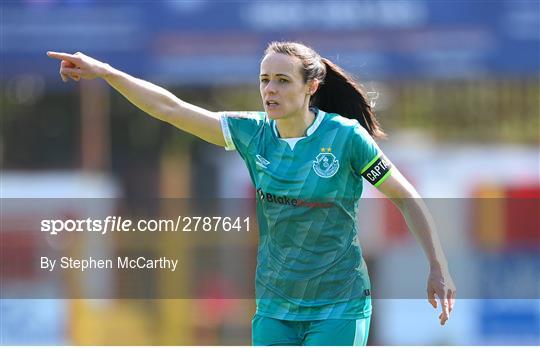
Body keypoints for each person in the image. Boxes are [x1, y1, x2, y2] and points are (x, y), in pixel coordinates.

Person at [47, 41, 456, 346]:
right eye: (264, 80)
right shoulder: (250, 133)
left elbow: (405, 197)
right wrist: (104, 72)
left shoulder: (345, 137)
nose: (270, 90)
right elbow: (169, 108)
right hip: (275, 306)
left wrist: (438, 266)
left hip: (339, 304)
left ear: (311, 87)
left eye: (282, 80)